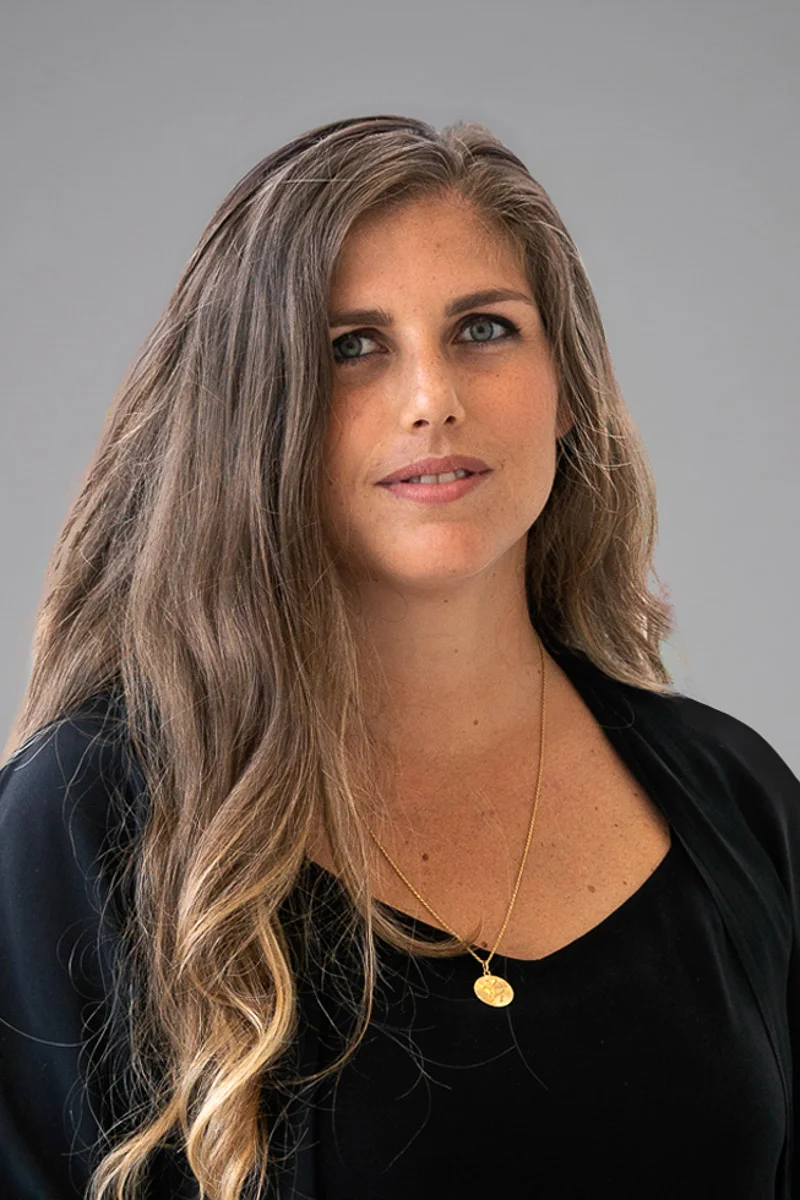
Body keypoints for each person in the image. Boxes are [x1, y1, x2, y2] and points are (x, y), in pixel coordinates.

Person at [0, 114, 797, 1200]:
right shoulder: (90, 815)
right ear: (253, 411)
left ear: (566, 386)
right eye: (351, 347)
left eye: (484, 329)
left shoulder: (737, 800)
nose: (433, 399)